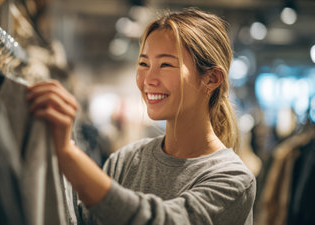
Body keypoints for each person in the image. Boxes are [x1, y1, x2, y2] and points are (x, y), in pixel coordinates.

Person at [27, 7, 256, 225]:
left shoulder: (233, 179)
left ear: (212, 79)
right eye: (143, 63)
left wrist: (68, 154)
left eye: (166, 65)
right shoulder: (126, 160)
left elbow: (162, 221)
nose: (148, 79)